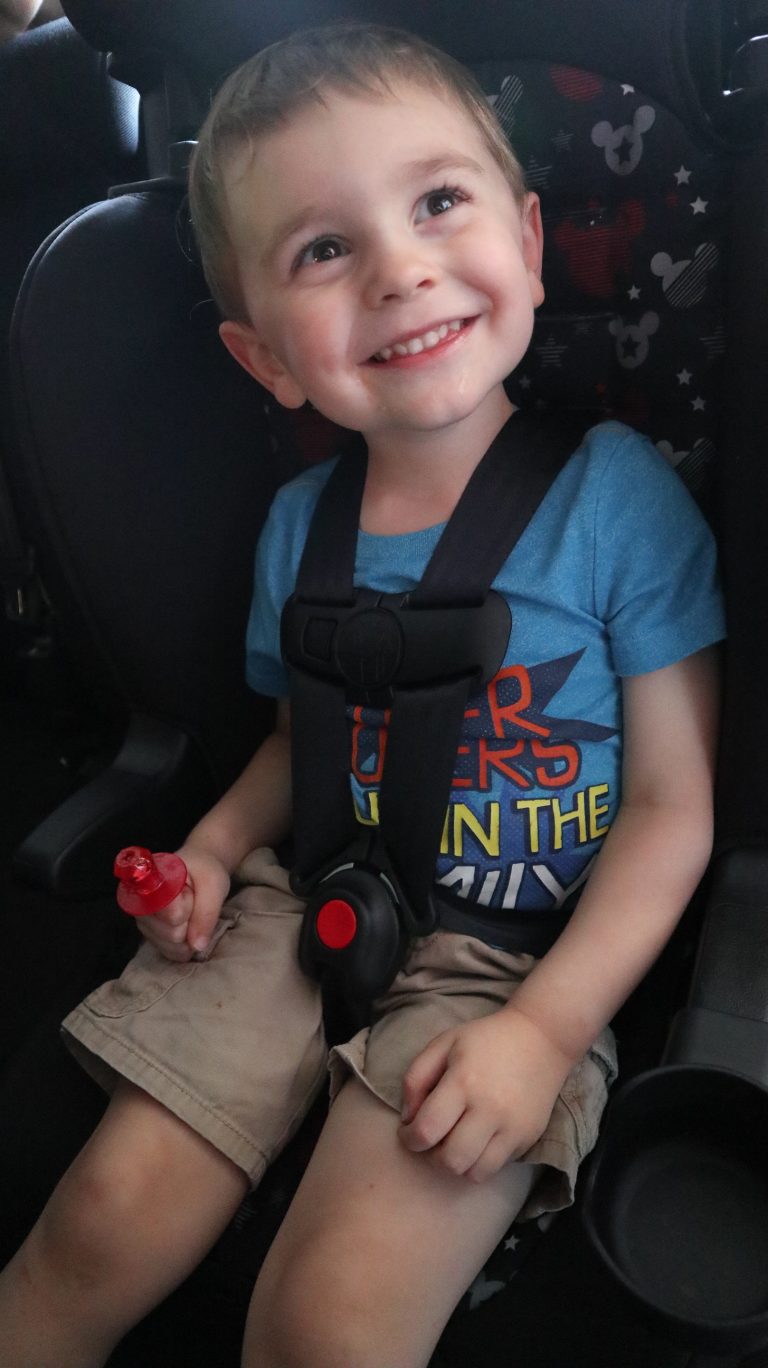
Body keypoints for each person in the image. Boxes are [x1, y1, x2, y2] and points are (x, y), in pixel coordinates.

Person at [0, 22, 725, 1368]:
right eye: (324, 251)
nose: (400, 270)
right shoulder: (300, 525)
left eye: (437, 203)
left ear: (524, 235)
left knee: (329, 1328)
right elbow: (303, 741)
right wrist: (213, 856)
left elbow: (677, 810)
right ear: (267, 356)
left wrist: (543, 1034)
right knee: (96, 1223)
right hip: (301, 904)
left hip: (509, 965)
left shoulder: (619, 496)